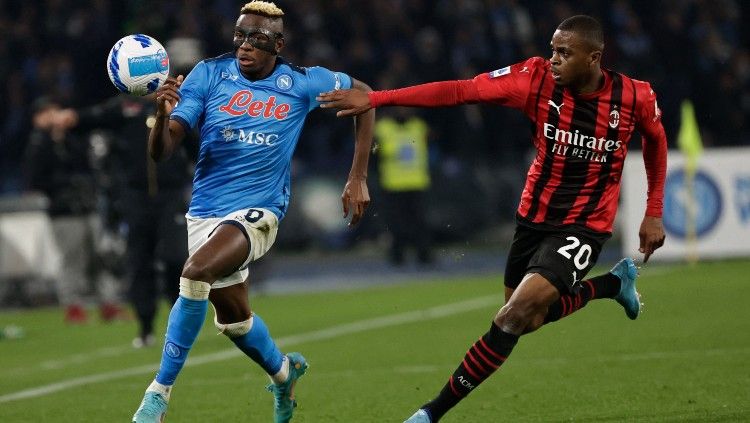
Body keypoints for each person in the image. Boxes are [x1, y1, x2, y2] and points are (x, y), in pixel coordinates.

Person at [318, 15, 666, 422]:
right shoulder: (533, 78)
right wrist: (377, 99)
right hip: (533, 217)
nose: (552, 59)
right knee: (529, 318)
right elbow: (460, 91)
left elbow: (656, 142)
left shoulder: (635, 97)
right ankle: (611, 284)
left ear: (594, 58)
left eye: (564, 53)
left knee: (512, 317)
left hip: (585, 224)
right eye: (552, 49)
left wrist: (653, 211)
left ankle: (429, 413)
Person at [131, 2, 374, 422]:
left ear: (278, 45)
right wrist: (161, 114)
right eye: (240, 36)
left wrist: (357, 175)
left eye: (257, 39)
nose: (245, 46)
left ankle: (158, 394)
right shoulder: (208, 74)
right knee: (234, 321)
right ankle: (284, 375)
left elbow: (367, 97)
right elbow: (163, 151)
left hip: (260, 211)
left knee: (193, 274)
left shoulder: (302, 83)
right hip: (205, 212)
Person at [49, 94, 197, 348]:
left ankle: (180, 319)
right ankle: (146, 327)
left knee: (175, 258)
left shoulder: (179, 106)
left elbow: (196, 145)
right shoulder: (126, 107)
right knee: (139, 261)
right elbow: (94, 117)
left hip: (171, 196)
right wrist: (72, 117)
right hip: (135, 197)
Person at [27, 99, 128, 324]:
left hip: (87, 207)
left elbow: (90, 165)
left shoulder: (74, 137)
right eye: (46, 113)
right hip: (63, 212)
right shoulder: (38, 143)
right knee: (73, 260)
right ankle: (73, 307)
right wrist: (66, 182)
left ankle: (109, 304)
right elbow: (35, 179)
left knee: (99, 258)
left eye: (54, 111)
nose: (54, 117)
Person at [374, 107, 433, 265]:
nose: (403, 111)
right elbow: (373, 150)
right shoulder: (382, 127)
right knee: (396, 224)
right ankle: (397, 255)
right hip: (393, 183)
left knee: (419, 222)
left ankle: (424, 255)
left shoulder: (419, 126)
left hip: (416, 181)